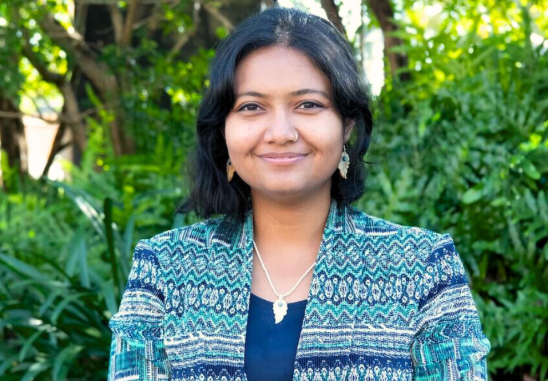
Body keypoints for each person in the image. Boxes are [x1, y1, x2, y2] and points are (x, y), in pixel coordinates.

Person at [107, 6, 490, 381]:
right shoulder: (164, 269)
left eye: (308, 104)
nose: (281, 132)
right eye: (252, 106)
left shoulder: (421, 268)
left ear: (347, 125)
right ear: (223, 130)